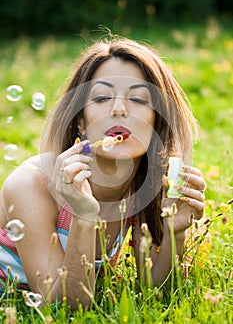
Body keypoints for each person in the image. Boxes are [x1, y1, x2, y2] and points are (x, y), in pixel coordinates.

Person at [0, 37, 206, 309]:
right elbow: (62, 308)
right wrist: (84, 215)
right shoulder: (33, 184)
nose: (119, 109)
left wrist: (174, 232)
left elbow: (155, 293)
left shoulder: (144, 186)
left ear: (158, 121)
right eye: (101, 98)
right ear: (80, 121)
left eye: (137, 99)